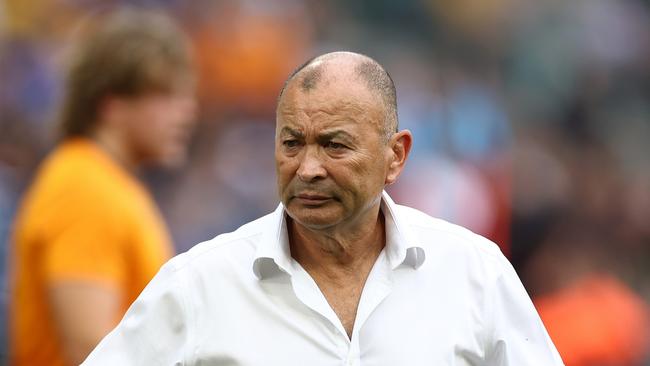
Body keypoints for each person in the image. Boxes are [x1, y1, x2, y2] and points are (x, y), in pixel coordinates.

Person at [82, 51, 562, 365]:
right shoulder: (199, 284)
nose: (307, 168)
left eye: (334, 145)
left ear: (395, 157)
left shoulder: (473, 273)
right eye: (292, 143)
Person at [8, 7, 196, 366]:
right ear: (111, 104)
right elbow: (90, 350)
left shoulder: (109, 183)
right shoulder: (84, 188)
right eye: (167, 95)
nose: (187, 112)